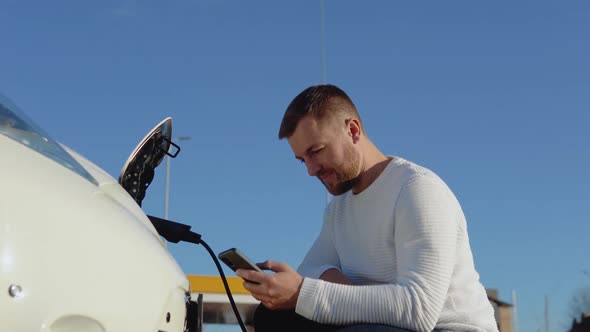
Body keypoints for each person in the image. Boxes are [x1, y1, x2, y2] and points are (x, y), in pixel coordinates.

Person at [237, 84, 499, 332]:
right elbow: (308, 271)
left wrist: (304, 292)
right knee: (272, 317)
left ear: (353, 131)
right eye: (302, 159)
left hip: (448, 328)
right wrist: (324, 277)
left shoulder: (417, 189)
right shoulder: (338, 208)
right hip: (381, 326)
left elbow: (419, 308)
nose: (311, 170)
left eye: (316, 151)